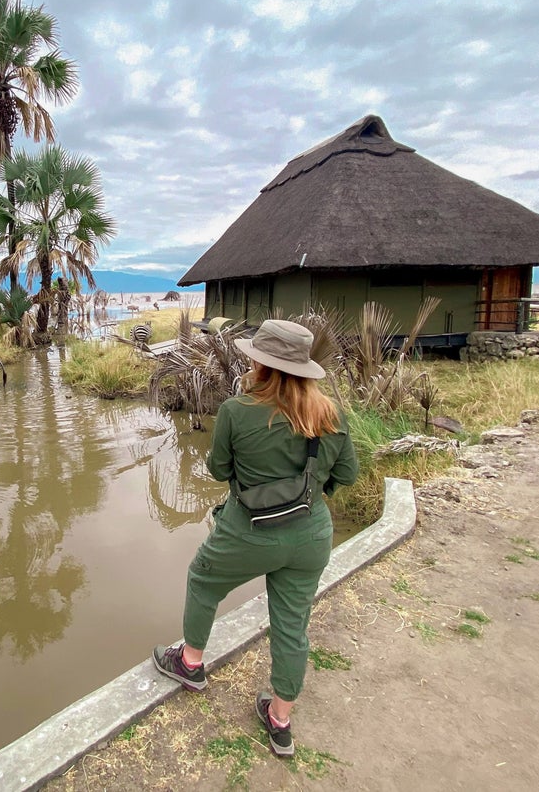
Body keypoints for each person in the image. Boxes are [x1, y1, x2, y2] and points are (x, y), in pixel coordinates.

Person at [152, 319, 359, 757]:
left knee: (203, 581)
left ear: (260, 364)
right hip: (311, 535)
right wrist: (309, 495)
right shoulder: (331, 415)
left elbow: (219, 470)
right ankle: (280, 720)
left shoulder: (236, 410)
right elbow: (348, 474)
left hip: (247, 532)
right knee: (291, 624)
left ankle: (189, 663)